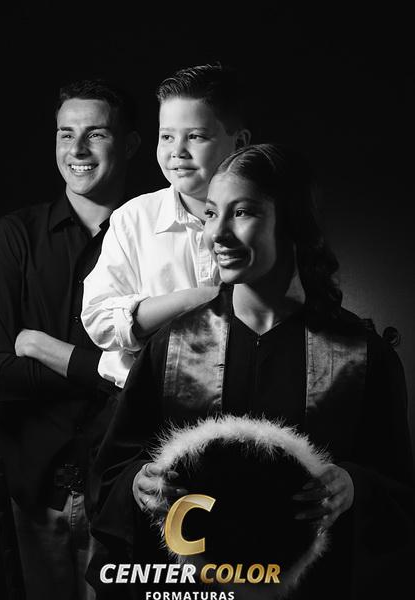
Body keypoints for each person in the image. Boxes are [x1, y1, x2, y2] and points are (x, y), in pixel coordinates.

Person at [87, 144, 415, 600]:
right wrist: (139, 483)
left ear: (293, 223)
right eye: (210, 214)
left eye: (241, 212)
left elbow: (398, 487)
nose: (217, 234)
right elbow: (113, 471)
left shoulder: (359, 355)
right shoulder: (174, 347)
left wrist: (353, 487)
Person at [0, 79, 140, 600]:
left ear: (130, 144)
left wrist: (45, 349)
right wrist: (106, 371)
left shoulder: (155, 244)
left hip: (125, 497)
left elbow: (164, 378)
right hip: (32, 493)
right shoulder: (13, 237)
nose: (77, 150)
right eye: (66, 134)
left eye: (95, 134)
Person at [81, 63, 251, 390]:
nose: (177, 152)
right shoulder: (134, 218)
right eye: (167, 136)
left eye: (196, 136)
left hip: (242, 400)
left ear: (240, 143)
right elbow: (99, 320)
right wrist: (196, 300)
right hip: (148, 402)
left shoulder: (265, 218)